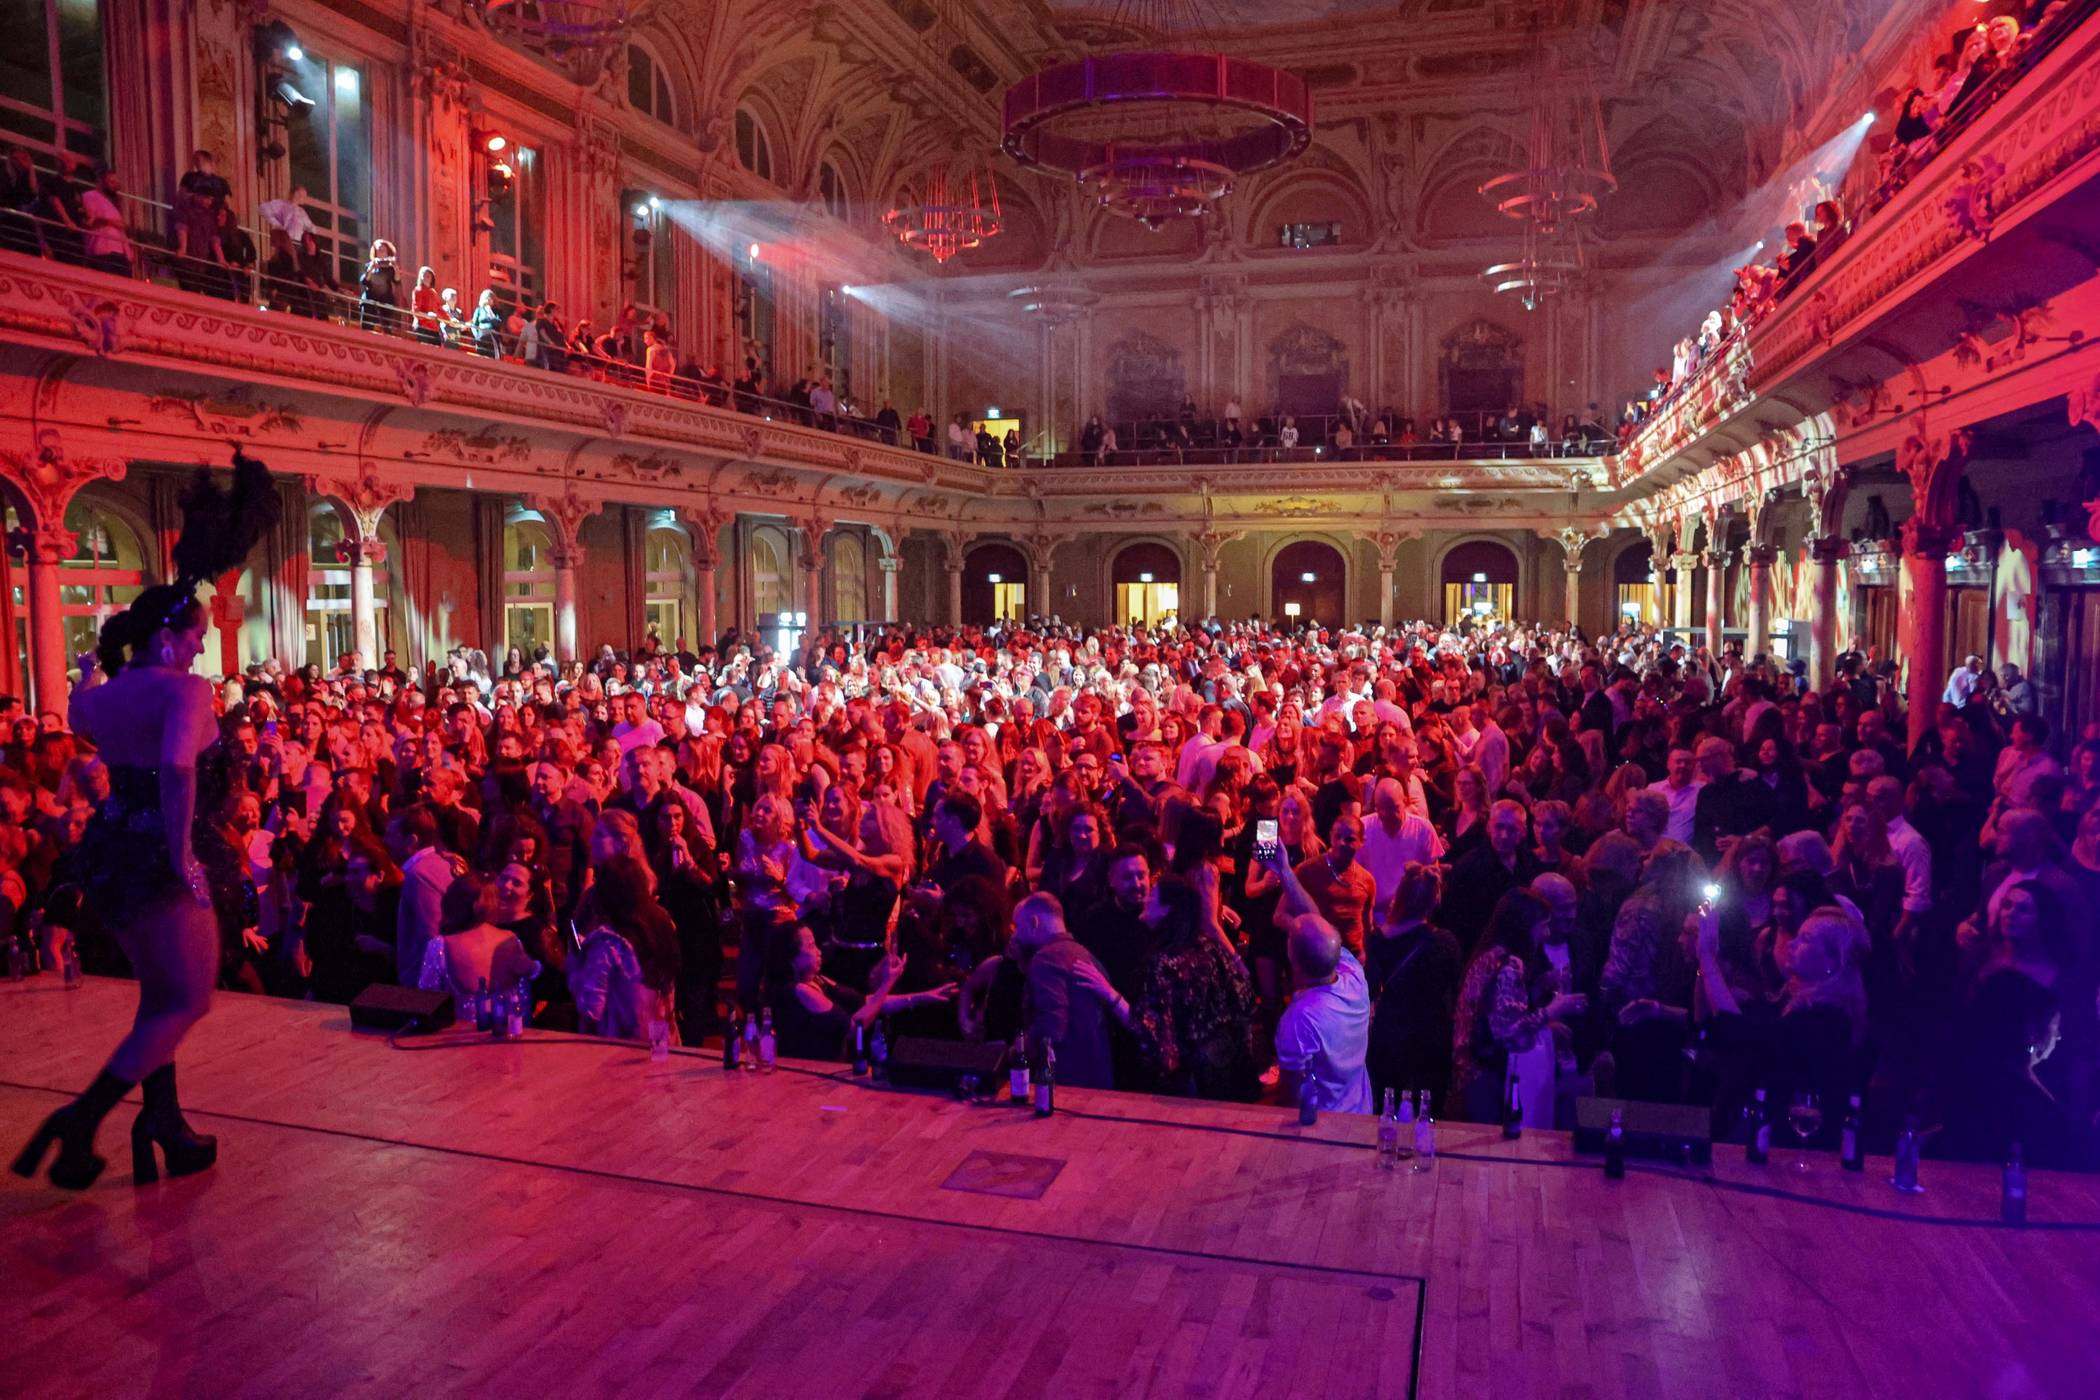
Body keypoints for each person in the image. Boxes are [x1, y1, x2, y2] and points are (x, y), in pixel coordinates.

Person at [13, 452, 280, 1190]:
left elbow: (90, 711)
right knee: (187, 998)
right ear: (167, 640)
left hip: (107, 856)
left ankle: (163, 1121)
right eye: (195, 635)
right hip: (157, 854)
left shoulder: (96, 699)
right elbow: (177, 772)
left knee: (159, 997)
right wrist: (183, 857)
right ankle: (82, 1122)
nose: (202, 646)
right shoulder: (185, 696)